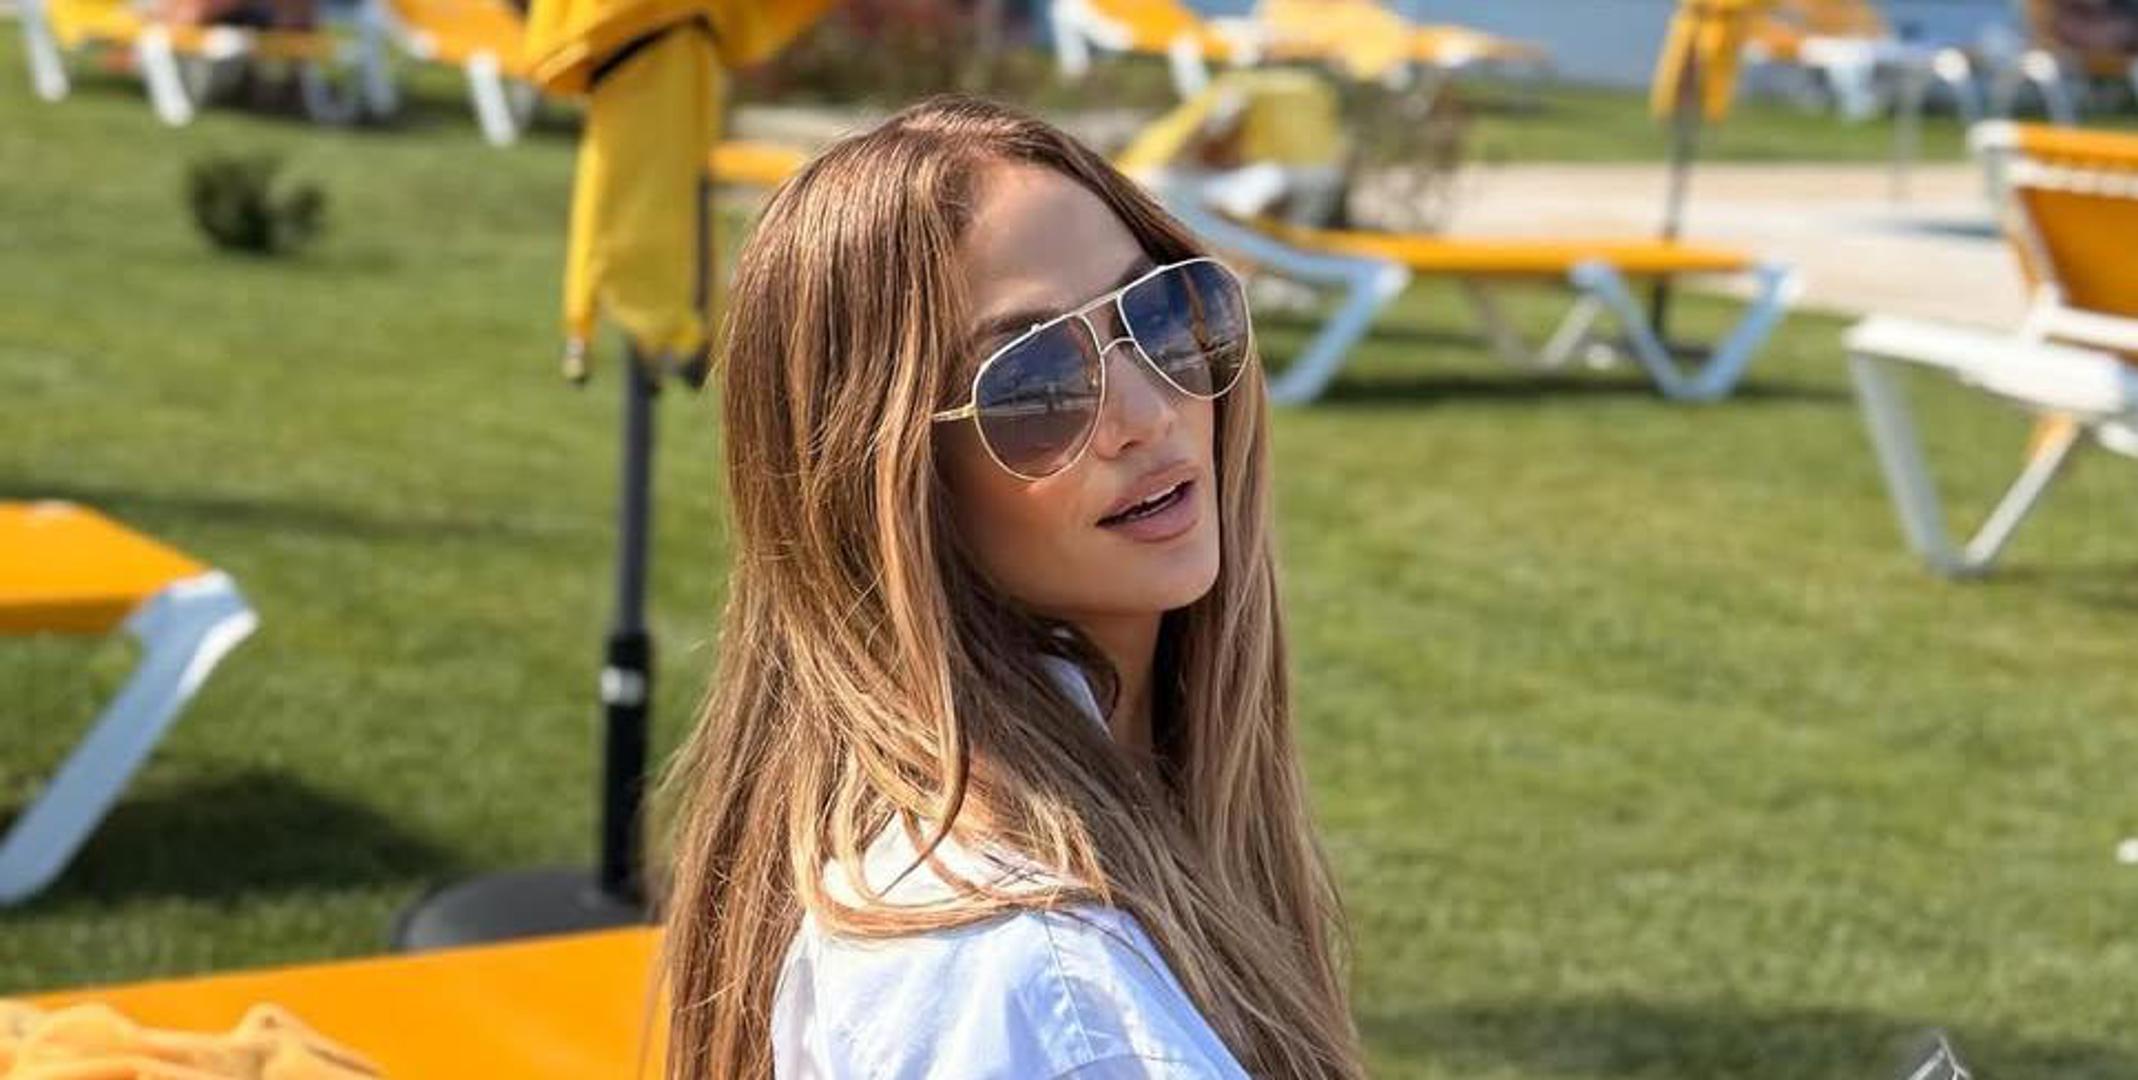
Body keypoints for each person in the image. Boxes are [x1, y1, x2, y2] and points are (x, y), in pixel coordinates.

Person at [657, 96, 1366, 1079]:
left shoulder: (1103, 849)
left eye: (1162, 315)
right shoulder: (1028, 984)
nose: (1145, 412)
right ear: (889, 490)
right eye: (1033, 385)